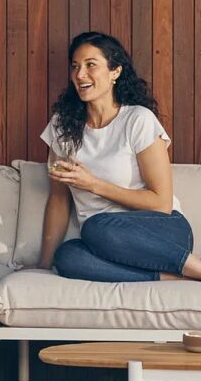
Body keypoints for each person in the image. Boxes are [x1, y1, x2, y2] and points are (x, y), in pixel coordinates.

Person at [39, 30, 201, 282]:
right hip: (105, 240)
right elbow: (59, 201)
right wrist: (43, 264)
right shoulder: (62, 127)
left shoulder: (138, 119)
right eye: (75, 66)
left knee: (96, 227)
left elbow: (161, 203)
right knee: (68, 256)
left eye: (91, 65)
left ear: (115, 72)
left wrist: (93, 185)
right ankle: (170, 277)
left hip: (161, 231)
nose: (80, 75)